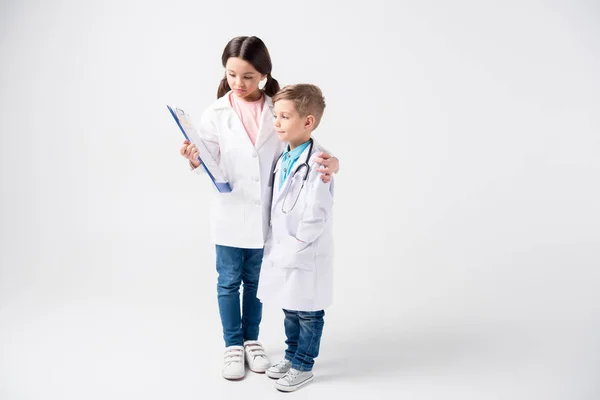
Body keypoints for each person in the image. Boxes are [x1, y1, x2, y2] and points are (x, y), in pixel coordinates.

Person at [178, 36, 339, 380]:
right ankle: (233, 344)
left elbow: (304, 150)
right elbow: (209, 158)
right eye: (232, 75)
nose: (239, 83)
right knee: (228, 280)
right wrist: (194, 159)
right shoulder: (215, 113)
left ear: (264, 74)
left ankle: (252, 340)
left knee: (257, 280)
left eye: (248, 77)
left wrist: (334, 162)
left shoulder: (277, 108)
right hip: (229, 211)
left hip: (267, 215)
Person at [257, 84, 335, 392]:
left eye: (284, 116)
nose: (276, 122)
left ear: (308, 122)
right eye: (276, 115)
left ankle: (304, 365)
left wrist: (298, 244)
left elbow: (318, 212)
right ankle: (291, 356)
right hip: (284, 248)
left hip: (305, 251)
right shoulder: (285, 156)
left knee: (309, 312)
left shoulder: (320, 163)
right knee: (290, 305)